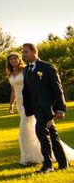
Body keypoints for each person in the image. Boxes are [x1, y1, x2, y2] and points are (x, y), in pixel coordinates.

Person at [21, 43, 72, 173]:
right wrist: (28, 108)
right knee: (53, 136)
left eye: (26, 52)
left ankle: (48, 165)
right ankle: (63, 163)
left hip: (48, 108)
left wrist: (60, 109)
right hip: (36, 108)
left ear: (34, 52)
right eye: (23, 52)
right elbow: (27, 90)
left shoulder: (47, 67)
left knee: (40, 132)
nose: (23, 54)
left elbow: (57, 88)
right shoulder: (26, 70)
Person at [7, 52, 44, 165]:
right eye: (11, 59)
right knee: (30, 129)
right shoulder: (10, 73)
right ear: (9, 62)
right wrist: (11, 105)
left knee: (24, 129)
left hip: (28, 101)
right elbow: (13, 91)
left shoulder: (25, 70)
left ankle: (29, 157)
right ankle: (34, 156)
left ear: (19, 59)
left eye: (15, 58)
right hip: (19, 103)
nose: (13, 60)